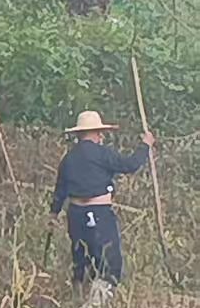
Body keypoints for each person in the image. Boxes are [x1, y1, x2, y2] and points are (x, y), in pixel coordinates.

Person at [48, 108, 154, 296]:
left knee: (81, 259)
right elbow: (129, 165)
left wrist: (54, 213)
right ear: (98, 133)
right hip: (99, 213)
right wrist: (145, 146)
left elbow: (60, 189)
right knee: (108, 262)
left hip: (75, 215)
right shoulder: (102, 153)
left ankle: (78, 301)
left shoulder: (69, 158)